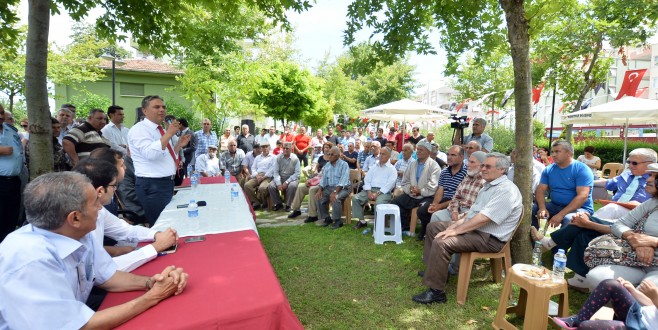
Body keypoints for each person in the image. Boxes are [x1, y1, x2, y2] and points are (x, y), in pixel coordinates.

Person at [0, 172, 188, 329]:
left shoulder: (77, 232)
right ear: (74, 218)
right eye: (95, 203)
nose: (101, 207)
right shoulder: (29, 260)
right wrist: (153, 296)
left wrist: (152, 282)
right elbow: (79, 326)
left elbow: (109, 277)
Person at [413, 152, 522, 304]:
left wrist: (455, 231)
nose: (483, 169)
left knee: (442, 241)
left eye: (487, 166)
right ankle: (434, 271)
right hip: (478, 231)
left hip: (490, 238)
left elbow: (483, 219)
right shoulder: (488, 186)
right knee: (434, 228)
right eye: (482, 165)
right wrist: (454, 225)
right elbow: (471, 214)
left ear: (502, 170)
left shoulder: (506, 190)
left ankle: (436, 293)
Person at [73, 159, 178, 272]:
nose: (115, 190)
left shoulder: (98, 209)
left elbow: (125, 230)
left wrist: (156, 235)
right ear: (100, 191)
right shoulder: (78, 221)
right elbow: (102, 270)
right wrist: (156, 247)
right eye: (114, 186)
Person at [581, 165, 658, 290]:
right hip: (635, 261)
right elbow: (619, 224)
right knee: (596, 278)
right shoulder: (653, 203)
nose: (649, 179)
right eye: (651, 175)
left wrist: (654, 242)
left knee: (645, 293)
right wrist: (634, 238)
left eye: (655, 177)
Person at [128, 95, 191, 226]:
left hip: (164, 183)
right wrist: (169, 134)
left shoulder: (160, 129)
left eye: (163, 107)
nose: (162, 110)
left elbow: (164, 156)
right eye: (156, 107)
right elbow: (151, 154)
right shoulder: (139, 129)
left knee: (168, 223)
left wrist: (178, 145)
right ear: (144, 111)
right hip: (152, 185)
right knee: (162, 226)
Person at [553, 278, 658, 330]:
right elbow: (653, 306)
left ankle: (580, 324)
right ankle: (577, 320)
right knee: (611, 285)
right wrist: (632, 290)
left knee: (586, 327)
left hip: (642, 327)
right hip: (637, 313)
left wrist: (655, 296)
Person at [533, 140, 594, 229]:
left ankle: (556, 243)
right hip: (555, 205)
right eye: (552, 152)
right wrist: (542, 208)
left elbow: (583, 196)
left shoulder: (582, 169)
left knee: (569, 219)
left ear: (568, 153)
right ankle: (535, 238)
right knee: (530, 209)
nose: (553, 154)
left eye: (557, 151)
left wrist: (561, 214)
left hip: (580, 209)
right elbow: (540, 189)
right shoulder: (549, 169)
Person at [416, 145, 467, 239]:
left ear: (462, 157)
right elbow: (440, 190)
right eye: (448, 154)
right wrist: (435, 204)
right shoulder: (444, 172)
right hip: (443, 198)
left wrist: (440, 206)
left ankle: (435, 234)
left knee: (437, 210)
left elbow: (460, 197)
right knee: (423, 210)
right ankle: (429, 231)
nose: (449, 157)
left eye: (453, 155)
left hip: (457, 201)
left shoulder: (466, 173)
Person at [391, 141, 440, 234]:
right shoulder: (412, 164)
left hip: (426, 196)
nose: (418, 152)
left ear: (428, 152)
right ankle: (404, 227)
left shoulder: (434, 166)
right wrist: (410, 189)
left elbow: (433, 184)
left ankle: (424, 232)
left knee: (422, 209)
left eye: (421, 150)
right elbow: (405, 181)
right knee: (396, 202)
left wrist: (420, 191)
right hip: (412, 194)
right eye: (417, 150)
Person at [351, 147, 397, 229]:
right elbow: (367, 179)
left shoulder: (392, 169)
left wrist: (377, 193)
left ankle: (379, 224)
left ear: (389, 156)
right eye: (381, 154)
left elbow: (389, 185)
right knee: (355, 198)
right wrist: (368, 192)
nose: (381, 156)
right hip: (370, 189)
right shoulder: (374, 167)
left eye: (384, 154)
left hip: (384, 192)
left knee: (379, 204)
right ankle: (362, 221)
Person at [288, 142, 333, 220]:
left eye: (328, 147)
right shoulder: (321, 158)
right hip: (318, 178)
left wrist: (316, 179)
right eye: (325, 147)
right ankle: (296, 210)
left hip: (325, 182)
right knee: (301, 187)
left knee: (312, 189)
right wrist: (312, 179)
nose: (326, 149)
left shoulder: (333, 160)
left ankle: (313, 215)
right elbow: (316, 170)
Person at [0, 103, 23, 242]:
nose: (1, 116)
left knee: (11, 218)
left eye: (2, 113)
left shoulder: (10, 129)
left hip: (13, 181)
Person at [316, 146, 351, 229]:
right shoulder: (327, 165)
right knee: (319, 197)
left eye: (332, 154)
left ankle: (338, 221)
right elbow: (323, 179)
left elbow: (343, 180)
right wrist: (320, 190)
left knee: (335, 197)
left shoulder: (344, 164)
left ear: (338, 156)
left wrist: (335, 191)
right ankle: (327, 218)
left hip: (343, 188)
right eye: (329, 154)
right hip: (330, 187)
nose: (329, 156)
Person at [268, 142, 301, 211]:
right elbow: (275, 172)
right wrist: (278, 183)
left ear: (291, 149)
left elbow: (297, 173)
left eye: (287, 148)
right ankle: (278, 203)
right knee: (271, 186)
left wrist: (287, 182)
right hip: (281, 177)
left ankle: (288, 205)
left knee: (292, 186)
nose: (285, 150)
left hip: (292, 178)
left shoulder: (295, 158)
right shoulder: (278, 158)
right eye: (284, 148)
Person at [244, 144, 275, 209]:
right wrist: (257, 176)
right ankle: (256, 202)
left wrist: (263, 177)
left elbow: (272, 169)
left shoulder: (273, 157)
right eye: (263, 147)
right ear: (261, 148)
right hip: (258, 175)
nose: (265, 148)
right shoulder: (258, 157)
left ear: (269, 148)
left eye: (266, 147)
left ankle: (263, 202)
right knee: (247, 185)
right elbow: (253, 168)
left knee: (262, 188)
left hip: (268, 176)